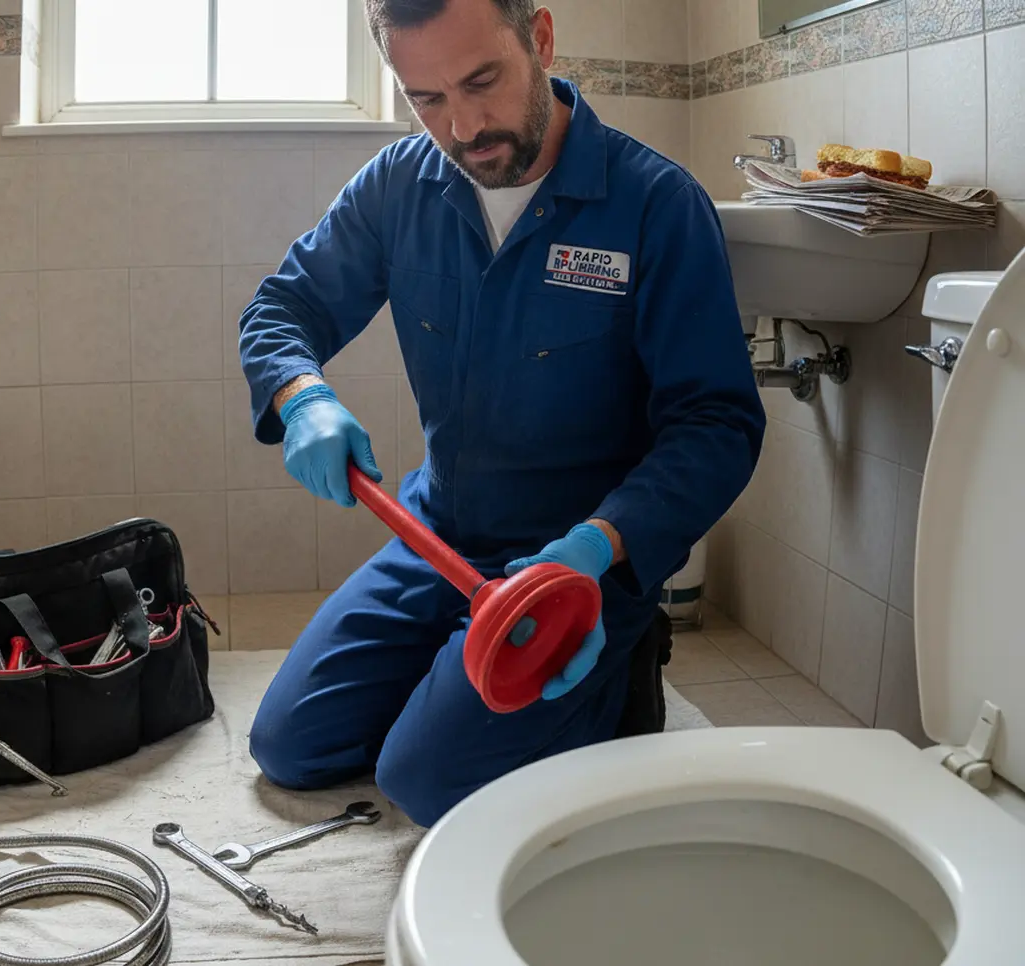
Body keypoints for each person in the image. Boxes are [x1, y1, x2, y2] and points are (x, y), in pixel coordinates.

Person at [237, 0, 765, 828]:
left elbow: (718, 424)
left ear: (541, 39)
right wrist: (299, 394)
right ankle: (463, 687)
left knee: (421, 779)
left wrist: (599, 547)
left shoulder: (656, 204)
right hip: (441, 532)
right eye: (427, 99)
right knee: (290, 745)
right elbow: (284, 308)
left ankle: (618, 669)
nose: (464, 125)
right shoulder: (398, 185)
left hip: (578, 568)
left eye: (483, 80)